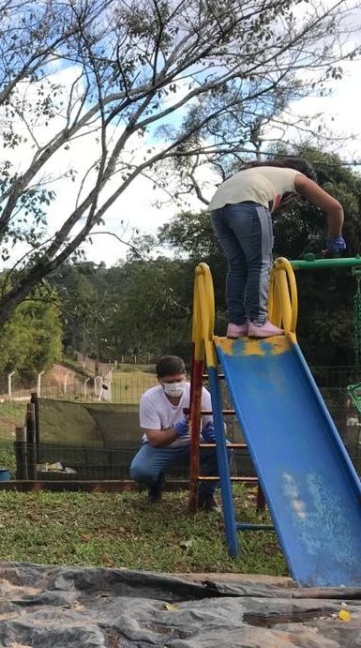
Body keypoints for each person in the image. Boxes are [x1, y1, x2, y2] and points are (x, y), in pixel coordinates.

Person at [208, 157, 344, 338]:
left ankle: (236, 323)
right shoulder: (297, 177)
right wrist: (334, 239)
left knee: (237, 266)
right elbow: (335, 208)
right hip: (248, 203)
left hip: (218, 209)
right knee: (260, 263)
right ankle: (258, 321)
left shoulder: (262, 174)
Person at [129, 355, 220, 510]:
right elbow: (154, 440)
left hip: (193, 444)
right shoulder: (149, 399)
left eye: (179, 380)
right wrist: (178, 430)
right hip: (161, 448)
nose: (176, 385)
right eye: (170, 382)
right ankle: (156, 483)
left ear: (186, 375)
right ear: (159, 380)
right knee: (140, 471)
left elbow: (216, 425)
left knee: (225, 449)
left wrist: (213, 432)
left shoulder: (200, 393)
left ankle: (205, 495)